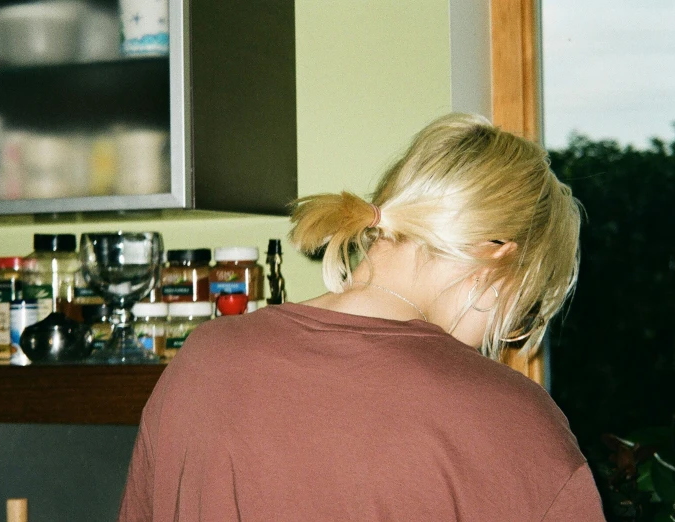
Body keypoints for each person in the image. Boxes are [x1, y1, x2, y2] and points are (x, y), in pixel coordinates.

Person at [117, 113, 606, 521]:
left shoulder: (204, 358)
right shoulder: (514, 423)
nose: (503, 340)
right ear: (497, 255)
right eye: (522, 313)